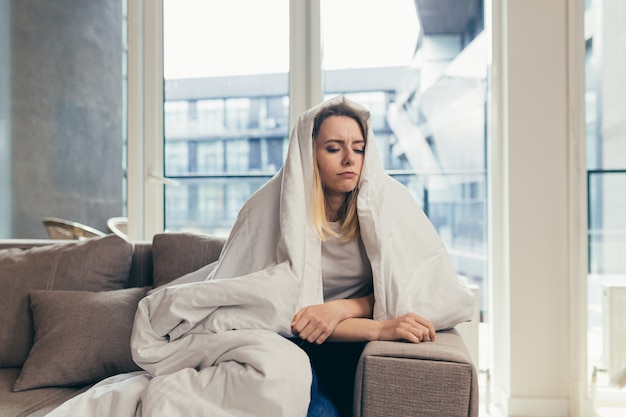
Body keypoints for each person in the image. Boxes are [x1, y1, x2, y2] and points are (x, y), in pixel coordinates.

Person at [207, 95, 475, 416]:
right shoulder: (265, 208)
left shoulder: (390, 203)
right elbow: (281, 316)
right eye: (334, 148)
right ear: (310, 155)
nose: (349, 159)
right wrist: (377, 327)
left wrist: (340, 308)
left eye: (358, 149)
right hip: (286, 344)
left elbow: (416, 287)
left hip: (351, 346)